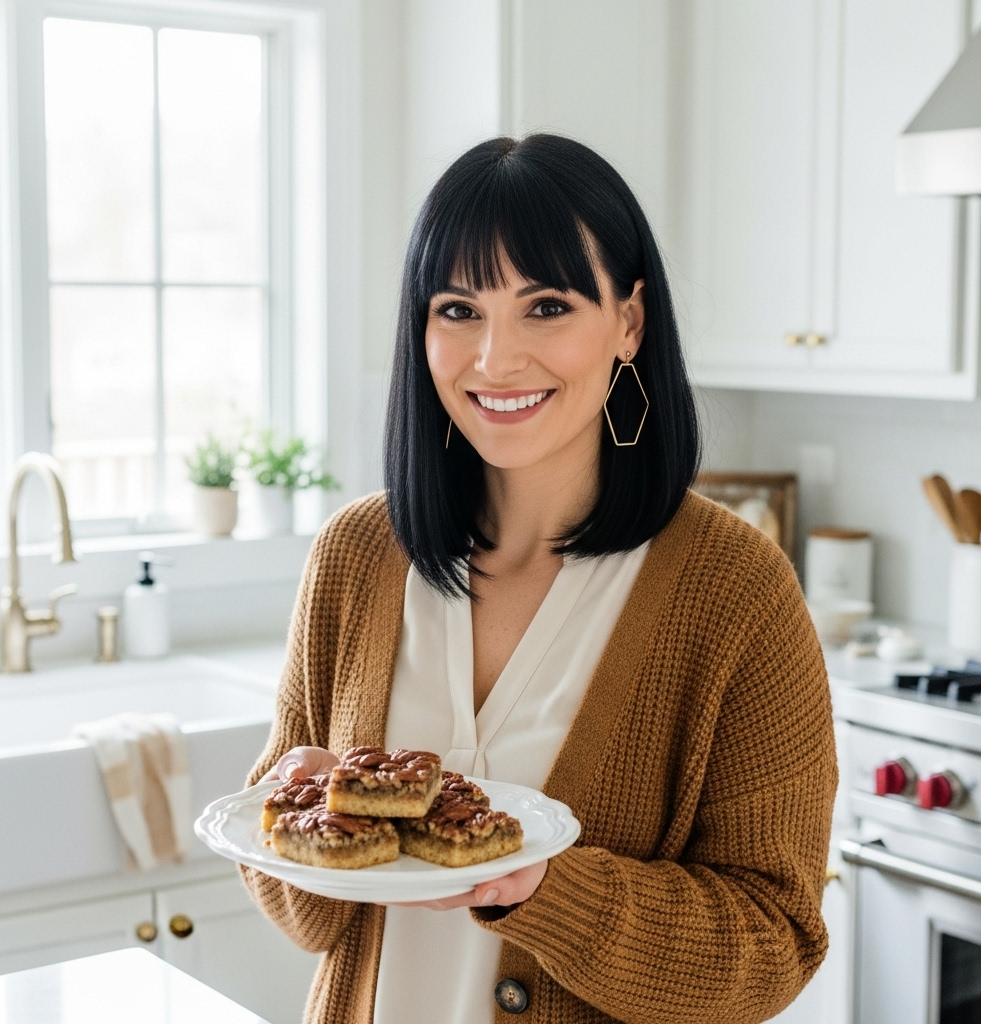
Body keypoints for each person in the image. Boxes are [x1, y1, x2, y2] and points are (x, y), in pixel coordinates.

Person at [242, 133, 837, 1024]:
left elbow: (776, 941)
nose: (495, 359)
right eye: (458, 310)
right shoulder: (356, 556)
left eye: (547, 306)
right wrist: (295, 807)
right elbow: (310, 918)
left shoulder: (734, 588)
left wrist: (549, 891)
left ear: (629, 322)